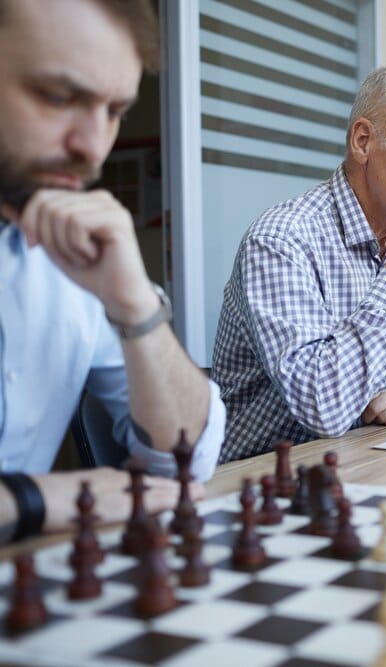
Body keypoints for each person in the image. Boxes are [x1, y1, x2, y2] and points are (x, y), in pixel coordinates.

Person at [0, 0, 226, 543]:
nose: (94, 146)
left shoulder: (64, 255)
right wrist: (31, 498)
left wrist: (134, 306)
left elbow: (186, 459)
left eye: (114, 110)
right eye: (58, 97)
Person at [213, 60, 386, 462]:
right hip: (266, 479)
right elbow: (323, 407)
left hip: (372, 463)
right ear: (363, 141)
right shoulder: (281, 241)